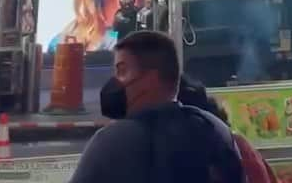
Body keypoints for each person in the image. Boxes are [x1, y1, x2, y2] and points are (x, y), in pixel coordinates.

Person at [71, 30, 244, 183]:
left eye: (122, 71)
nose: (114, 82)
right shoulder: (216, 129)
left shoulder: (112, 141)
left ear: (151, 79)